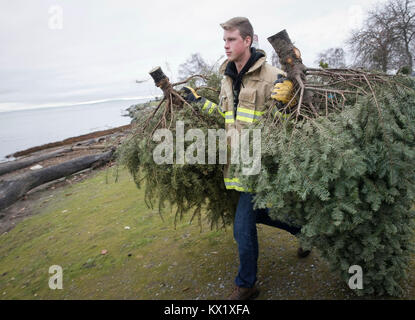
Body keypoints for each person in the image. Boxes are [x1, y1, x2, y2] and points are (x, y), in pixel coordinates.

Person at [183, 17, 310, 300]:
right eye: (224, 40)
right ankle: (304, 230)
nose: (226, 45)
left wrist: (289, 101)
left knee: (242, 226)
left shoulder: (273, 76)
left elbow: (287, 123)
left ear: (248, 41)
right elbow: (226, 116)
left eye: (231, 40)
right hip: (237, 165)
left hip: (261, 165)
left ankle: (246, 284)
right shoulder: (227, 78)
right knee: (258, 214)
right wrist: (199, 102)